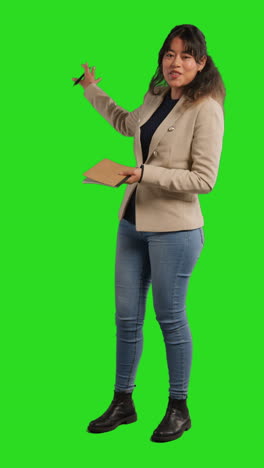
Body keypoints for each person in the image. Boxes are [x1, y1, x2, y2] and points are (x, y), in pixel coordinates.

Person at [72, 23, 225, 443]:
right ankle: (124, 402)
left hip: (175, 231)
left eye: (186, 56)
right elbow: (126, 123)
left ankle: (179, 407)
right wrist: (91, 90)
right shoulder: (157, 94)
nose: (175, 63)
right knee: (126, 318)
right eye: (170, 54)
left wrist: (144, 173)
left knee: (170, 319)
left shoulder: (206, 108)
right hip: (132, 223)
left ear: (201, 63)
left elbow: (204, 179)